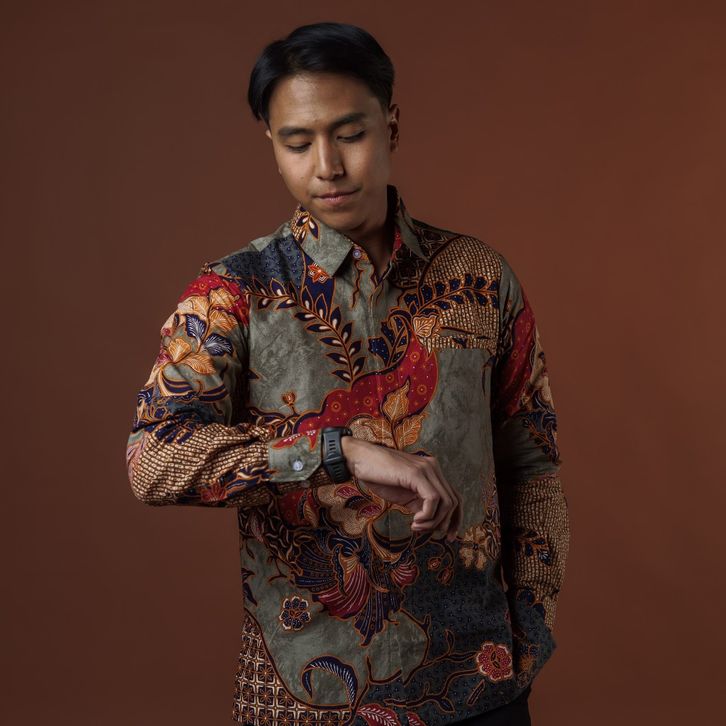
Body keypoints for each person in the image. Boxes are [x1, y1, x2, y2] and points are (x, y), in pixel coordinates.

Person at [125, 21, 570, 726]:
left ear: (391, 125)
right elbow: (152, 461)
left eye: (350, 134)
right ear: (272, 147)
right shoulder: (232, 295)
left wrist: (530, 628)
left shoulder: (480, 278)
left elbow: (533, 464)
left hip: (480, 689)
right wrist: (338, 452)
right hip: (305, 699)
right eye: (297, 143)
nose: (327, 165)